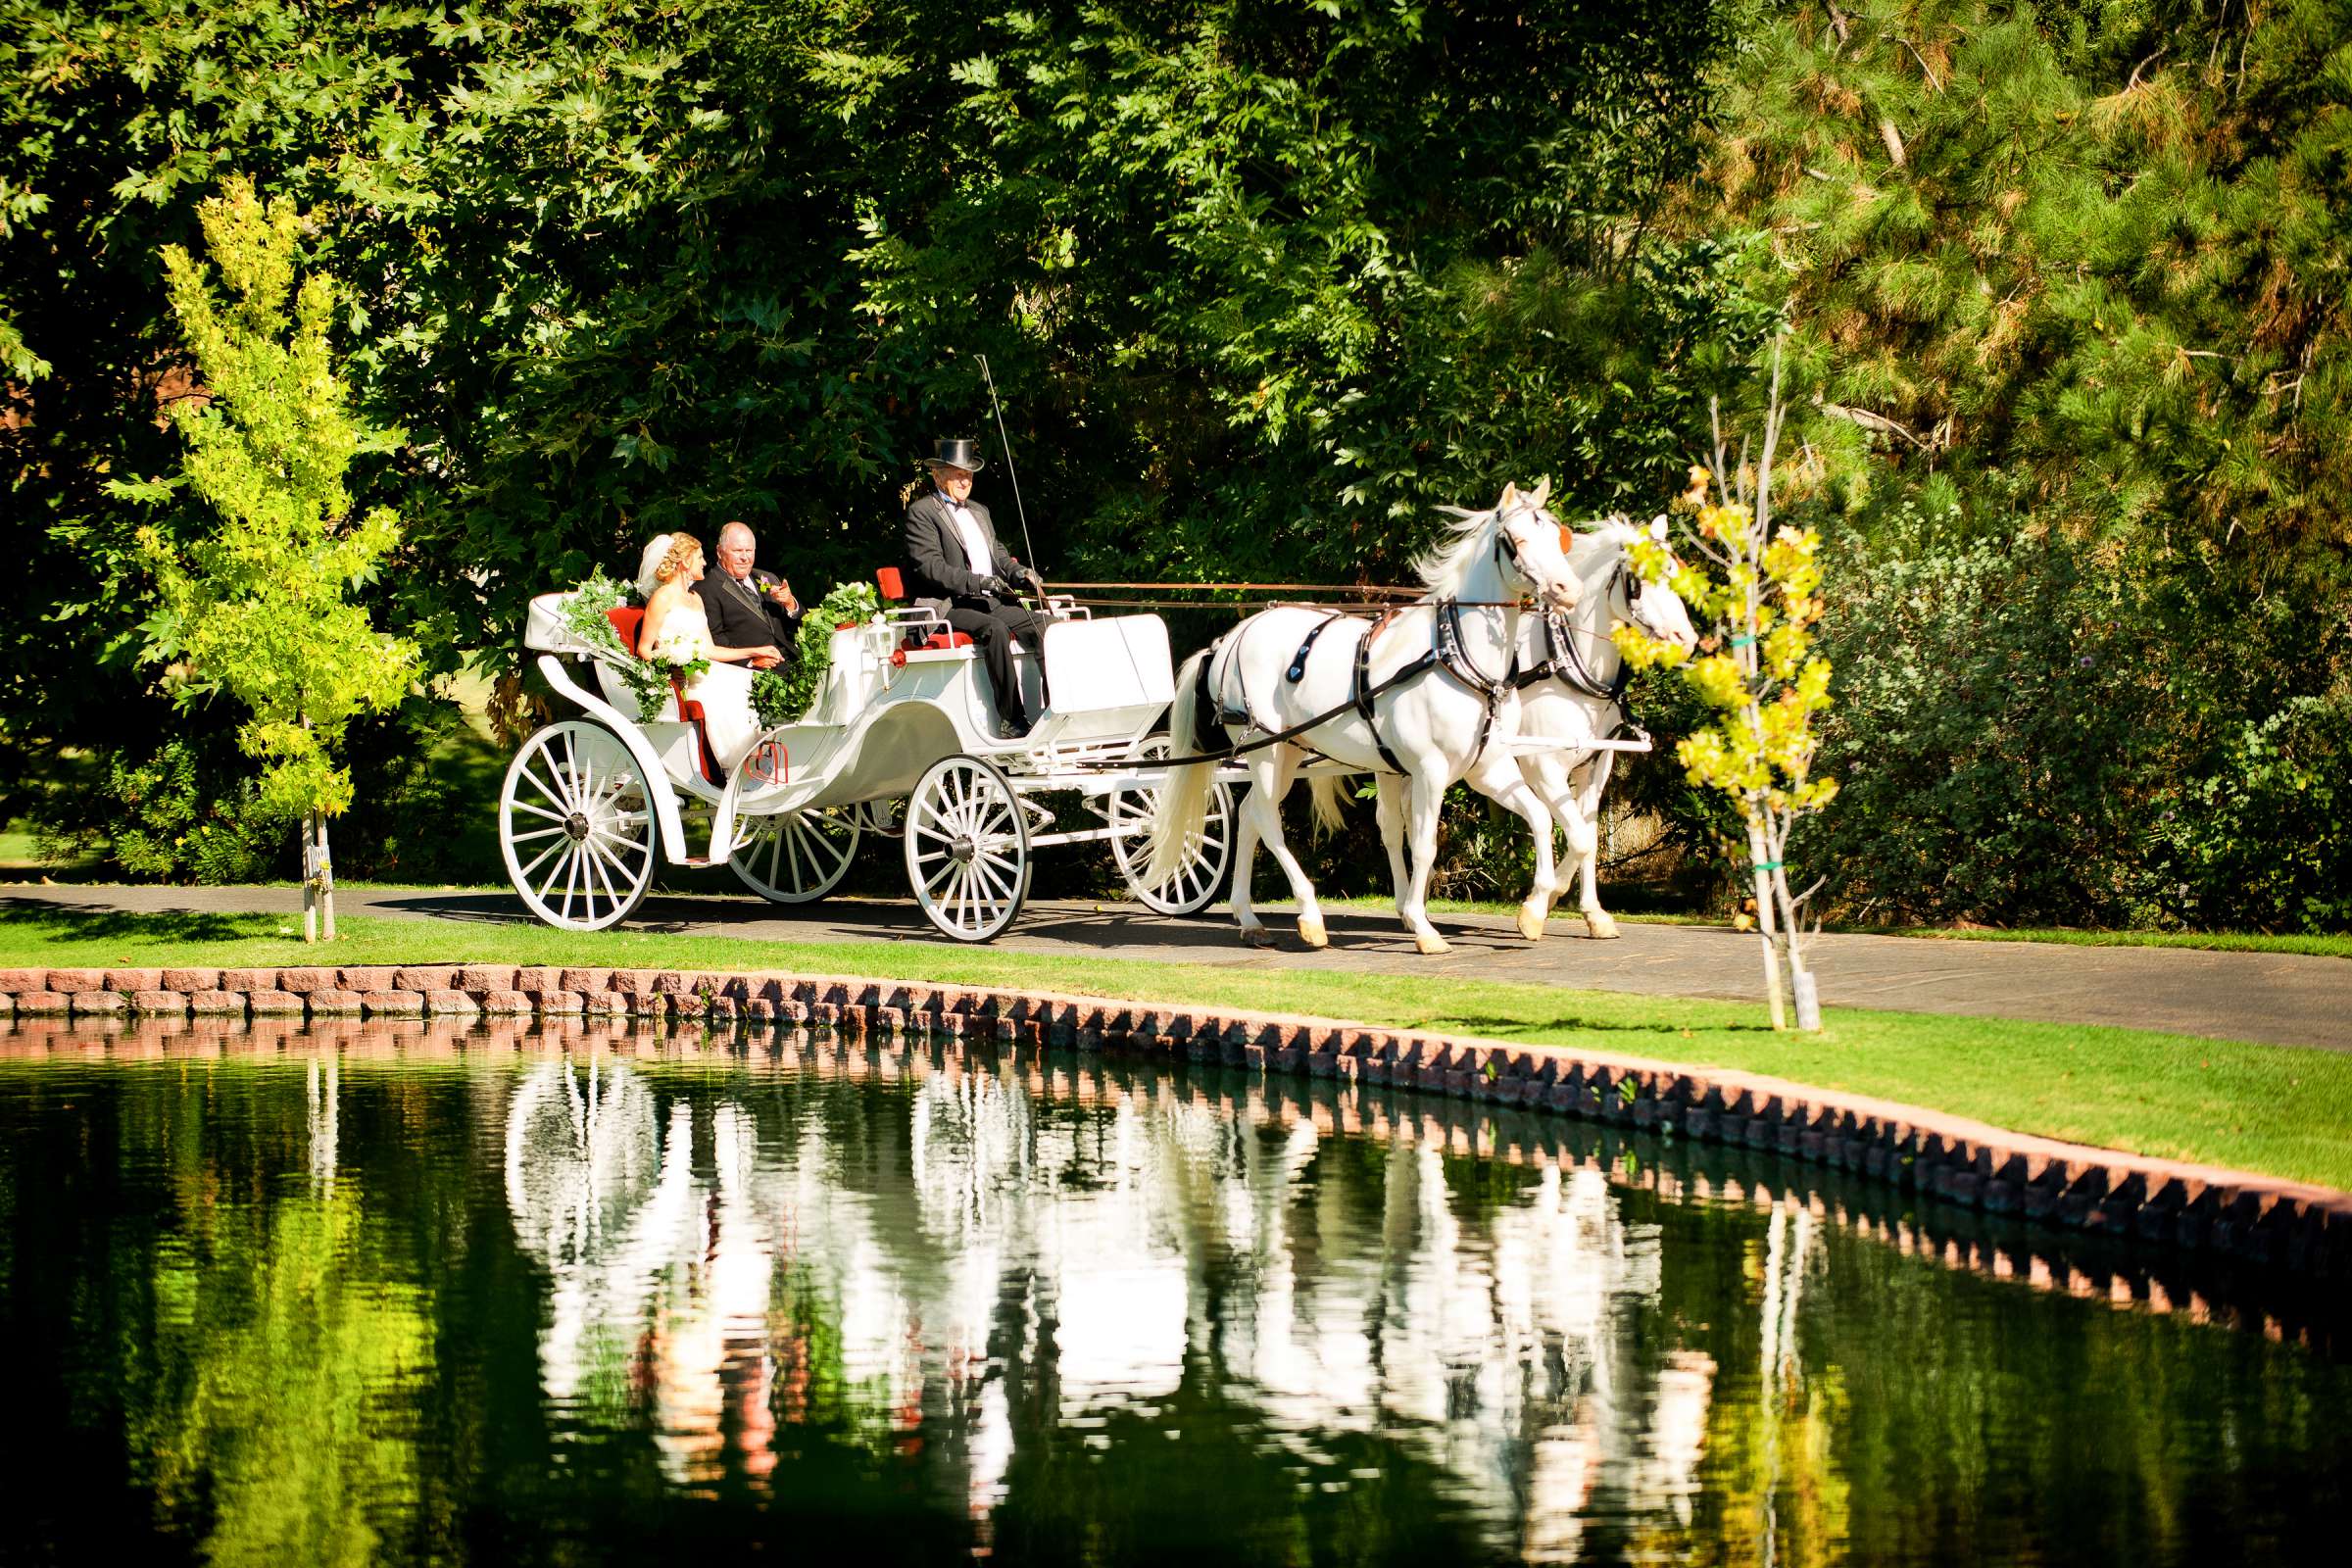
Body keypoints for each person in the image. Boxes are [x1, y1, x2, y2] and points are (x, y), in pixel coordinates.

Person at [902, 437, 1048, 738]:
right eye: (958, 473)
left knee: (1048, 626)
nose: (964, 480)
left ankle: (1056, 709)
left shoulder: (979, 511)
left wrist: (1019, 573)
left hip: (988, 599)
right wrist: (977, 582)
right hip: (948, 605)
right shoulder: (922, 513)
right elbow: (930, 567)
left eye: (968, 474)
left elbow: (999, 555)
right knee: (993, 630)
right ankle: (1012, 720)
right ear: (938, 475)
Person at [635, 532, 782, 771]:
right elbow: (644, 649)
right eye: (700, 557)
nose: (704, 562)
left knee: (751, 679)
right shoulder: (662, 598)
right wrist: (673, 666)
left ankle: (762, 760)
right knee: (729, 690)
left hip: (706, 669)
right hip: (687, 679)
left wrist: (755, 651)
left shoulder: (695, 599)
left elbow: (710, 650)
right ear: (685, 562)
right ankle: (738, 764)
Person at [693, 519, 803, 667]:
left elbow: (799, 624)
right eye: (737, 551)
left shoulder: (768, 578)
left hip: (794, 664)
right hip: (752, 674)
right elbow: (715, 639)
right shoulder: (707, 588)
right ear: (719, 552)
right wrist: (752, 661)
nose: (745, 557)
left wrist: (790, 604)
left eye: (749, 550)